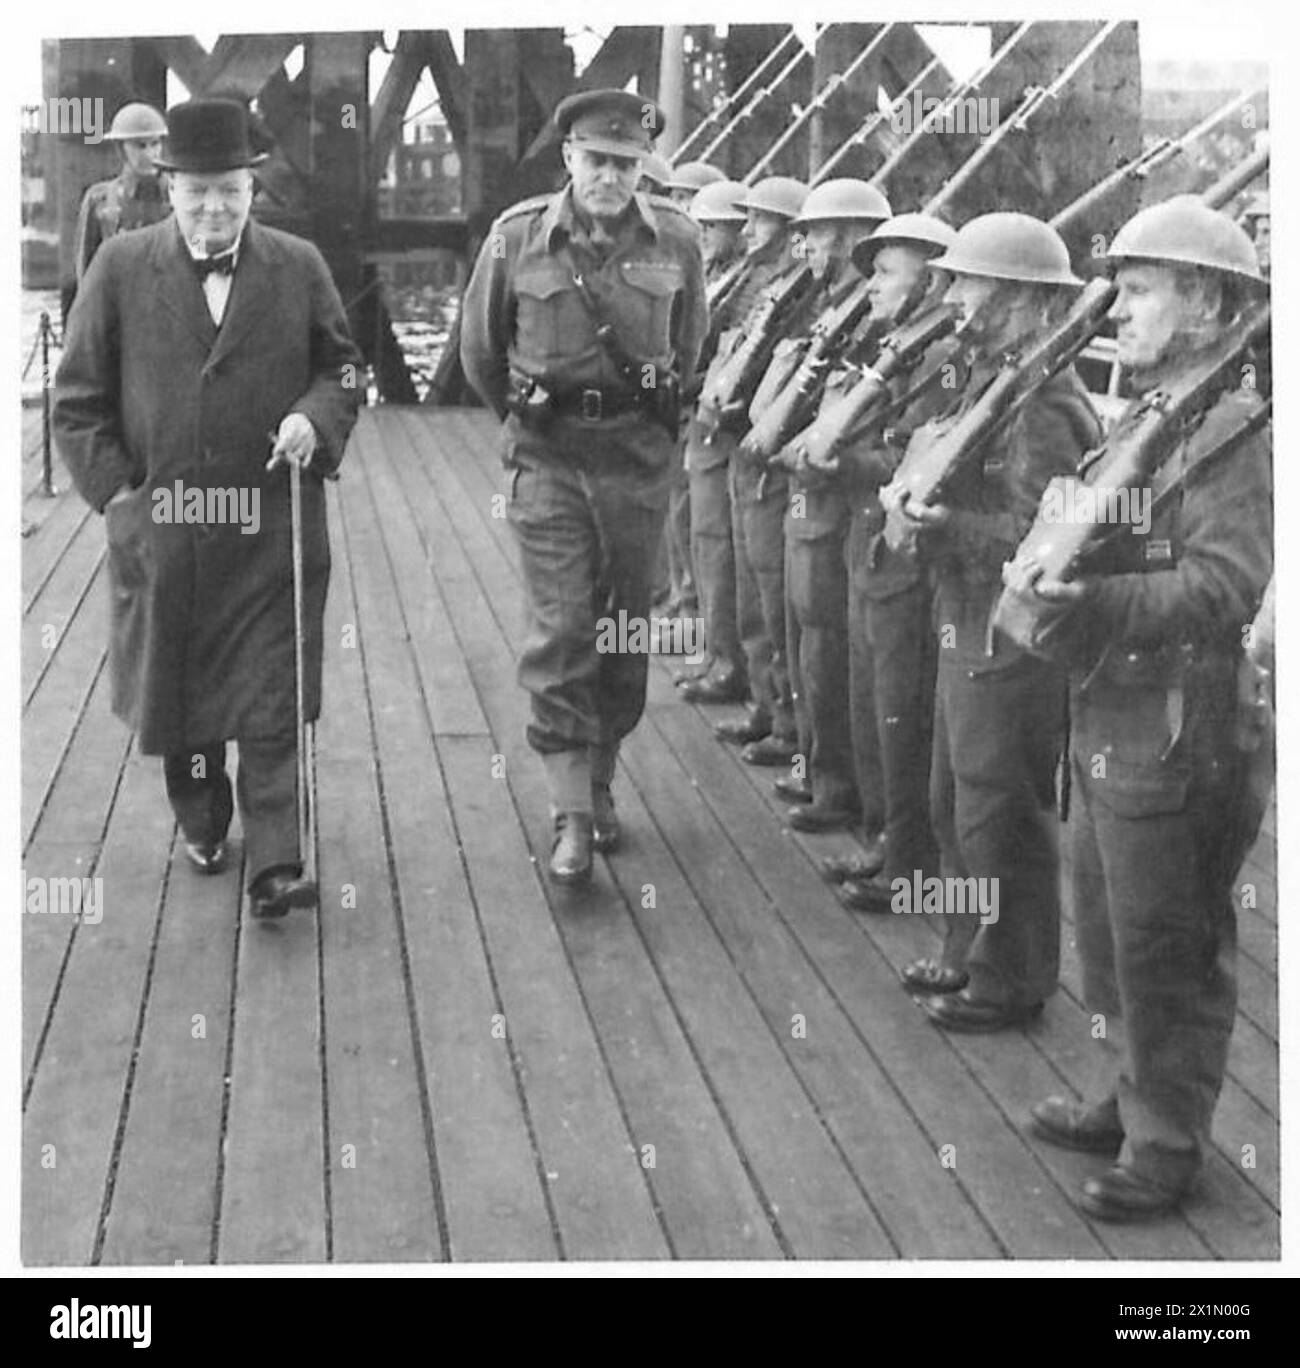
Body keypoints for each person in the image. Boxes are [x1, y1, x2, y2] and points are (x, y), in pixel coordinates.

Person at [1007, 198, 1271, 1220]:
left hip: (1181, 721)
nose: (1114, 305)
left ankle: (1165, 1141)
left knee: (1167, 937)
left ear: (1206, 304)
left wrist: (1096, 599)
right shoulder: (1151, 411)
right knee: (1108, 921)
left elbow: (1225, 587)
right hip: (1114, 706)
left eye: (1141, 286)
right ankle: (1125, 1095)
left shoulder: (1229, 432)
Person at [54, 98, 363, 919]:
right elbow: (76, 402)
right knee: (185, 709)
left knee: (270, 698)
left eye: (229, 191)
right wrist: (123, 496)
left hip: (270, 524)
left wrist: (315, 416)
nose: (214, 209)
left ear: (252, 188)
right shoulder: (120, 268)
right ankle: (203, 820)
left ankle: (275, 860)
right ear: (171, 190)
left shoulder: (298, 266)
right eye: (197, 195)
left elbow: (344, 369)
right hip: (168, 536)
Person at [460, 88, 708, 885]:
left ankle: (602, 779)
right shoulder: (516, 240)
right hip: (552, 461)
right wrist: (530, 423)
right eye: (596, 160)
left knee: (624, 633)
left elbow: (690, 348)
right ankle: (570, 815)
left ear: (642, 166)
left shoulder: (678, 240)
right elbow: (480, 354)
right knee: (564, 627)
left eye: (625, 164)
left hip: (635, 464)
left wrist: (649, 434)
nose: (609, 176)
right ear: (568, 157)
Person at [884, 213, 1102, 1031]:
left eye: (970, 281)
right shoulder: (999, 380)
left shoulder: (1046, 405)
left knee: (1000, 805)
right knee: (956, 797)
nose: (955, 294)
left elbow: (1037, 537)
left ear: (1018, 297)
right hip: (967, 614)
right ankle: (968, 945)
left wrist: (940, 525)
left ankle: (1010, 976)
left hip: (1005, 630)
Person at [816, 214, 962, 928]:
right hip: (869, 549)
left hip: (903, 560)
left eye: (885, 273)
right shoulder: (895, 346)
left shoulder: (944, 362)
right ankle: (883, 838)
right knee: (873, 708)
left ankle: (910, 861)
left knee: (902, 718)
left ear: (930, 279)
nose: (870, 286)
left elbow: (921, 465)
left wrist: (844, 462)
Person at [755, 178, 891, 832]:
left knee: (829, 652)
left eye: (815, 233)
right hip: (807, 497)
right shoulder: (829, 307)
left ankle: (837, 787)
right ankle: (818, 766)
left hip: (837, 508)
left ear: (849, 237)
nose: (802, 243)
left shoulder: (867, 322)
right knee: (806, 640)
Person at [678, 176, 808, 711]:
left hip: (742, 439)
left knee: (740, 568)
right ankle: (732, 668)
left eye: (759, 220)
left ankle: (750, 684)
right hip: (717, 425)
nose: (750, 229)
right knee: (711, 546)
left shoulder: (778, 289)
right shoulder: (752, 280)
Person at [72, 101, 172, 286]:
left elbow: (198, 247)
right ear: (121, 150)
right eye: (141, 146)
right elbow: (86, 271)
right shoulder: (100, 200)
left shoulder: (176, 196)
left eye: (155, 143)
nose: (151, 153)